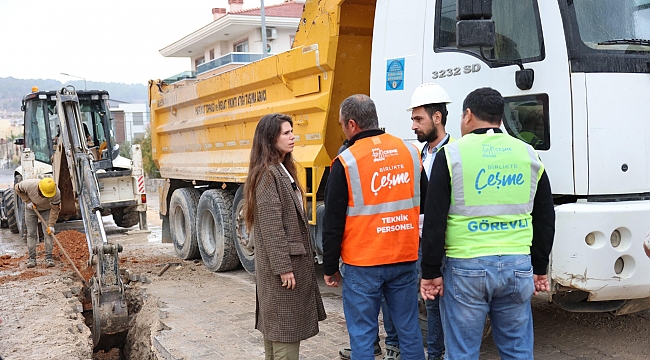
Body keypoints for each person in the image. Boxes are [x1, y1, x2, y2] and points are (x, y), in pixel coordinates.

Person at [420, 87, 555, 359]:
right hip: (517, 267)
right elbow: (544, 216)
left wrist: (431, 272)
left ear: (468, 115)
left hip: (465, 268)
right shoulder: (527, 153)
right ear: (500, 118)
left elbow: (434, 220)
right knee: (518, 351)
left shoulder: (452, 154)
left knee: (462, 353)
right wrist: (539, 267)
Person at [323, 94, 425, 360]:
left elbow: (332, 221)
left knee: (363, 335)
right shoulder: (411, 152)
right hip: (404, 256)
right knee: (408, 329)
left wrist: (330, 267)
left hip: (363, 262)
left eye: (342, 124)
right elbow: (424, 203)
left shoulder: (346, 162)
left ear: (352, 124)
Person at [244, 113, 326, 360]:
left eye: (292, 131)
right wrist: (283, 268)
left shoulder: (280, 169)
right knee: (284, 341)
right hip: (282, 273)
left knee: (277, 337)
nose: (293, 137)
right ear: (271, 139)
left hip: (284, 270)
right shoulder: (269, 174)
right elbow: (271, 227)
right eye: (286, 133)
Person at [407, 83, 453, 360]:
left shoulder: (456, 153)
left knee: (450, 303)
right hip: (420, 240)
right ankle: (435, 354)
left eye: (418, 119)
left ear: (437, 118)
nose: (413, 126)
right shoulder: (416, 154)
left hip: (448, 240)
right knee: (430, 302)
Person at [14, 178, 61, 268]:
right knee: (31, 233)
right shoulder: (29, 185)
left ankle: (49, 258)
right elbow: (17, 188)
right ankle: (32, 259)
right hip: (31, 209)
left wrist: (51, 224)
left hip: (47, 210)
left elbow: (55, 209)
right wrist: (27, 201)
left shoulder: (56, 193)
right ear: (39, 189)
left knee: (48, 234)